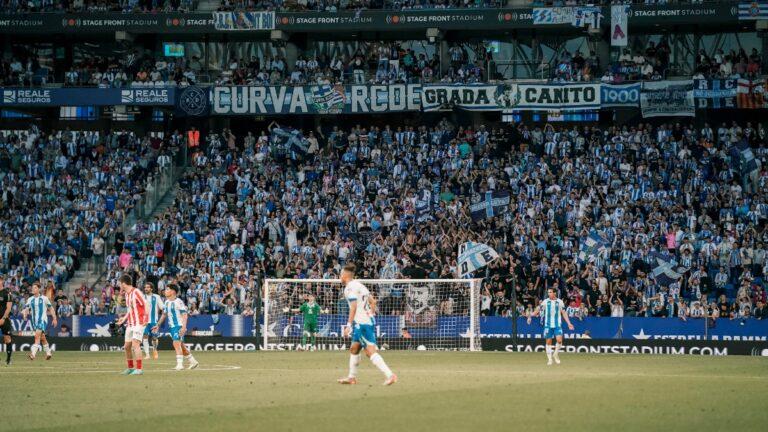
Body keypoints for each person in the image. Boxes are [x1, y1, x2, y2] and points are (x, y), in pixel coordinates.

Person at [337, 263, 397, 386]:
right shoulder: (360, 285)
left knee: (370, 352)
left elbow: (353, 307)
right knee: (354, 348)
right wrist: (370, 313)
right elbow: (373, 301)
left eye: (340, 275)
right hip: (365, 321)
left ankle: (390, 375)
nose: (339, 277)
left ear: (345, 275)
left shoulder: (349, 288)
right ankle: (351, 378)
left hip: (361, 323)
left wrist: (348, 325)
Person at [153, 284, 199, 371]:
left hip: (179, 326)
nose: (165, 291)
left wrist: (184, 327)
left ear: (173, 291)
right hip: (172, 327)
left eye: (167, 289)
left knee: (176, 343)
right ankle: (193, 361)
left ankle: (180, 365)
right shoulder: (166, 302)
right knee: (182, 347)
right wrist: (158, 325)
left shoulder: (179, 302)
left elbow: (184, 315)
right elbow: (164, 314)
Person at [527, 287, 575, 365]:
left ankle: (555, 354)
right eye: (548, 292)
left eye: (550, 292)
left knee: (559, 340)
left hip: (557, 324)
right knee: (548, 342)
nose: (549, 293)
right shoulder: (546, 301)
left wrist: (569, 323)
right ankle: (549, 359)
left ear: (554, 293)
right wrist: (530, 316)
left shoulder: (560, 302)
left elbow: (564, 312)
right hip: (548, 325)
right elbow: (538, 310)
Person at [115, 274, 147, 376]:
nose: (119, 285)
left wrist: (146, 318)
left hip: (139, 323)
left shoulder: (136, 292)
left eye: (120, 283)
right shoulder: (127, 294)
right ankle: (130, 368)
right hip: (130, 323)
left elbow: (146, 304)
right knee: (127, 346)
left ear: (124, 284)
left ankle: (139, 369)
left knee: (135, 344)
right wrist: (123, 319)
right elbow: (130, 310)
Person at [21, 283, 57, 361]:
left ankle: (33, 354)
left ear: (39, 289)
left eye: (35, 288)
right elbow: (26, 308)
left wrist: (54, 318)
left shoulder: (44, 298)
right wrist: (25, 314)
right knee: (42, 338)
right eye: (32, 288)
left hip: (42, 320)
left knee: (37, 336)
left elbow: (51, 309)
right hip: (35, 321)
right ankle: (48, 353)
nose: (33, 289)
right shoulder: (30, 299)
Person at [142, 282, 164, 360]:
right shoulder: (142, 297)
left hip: (153, 321)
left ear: (151, 288)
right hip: (144, 321)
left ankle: (155, 350)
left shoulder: (156, 297)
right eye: (145, 287)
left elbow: (162, 307)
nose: (146, 289)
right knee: (145, 336)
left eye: (147, 287)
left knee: (154, 337)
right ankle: (147, 354)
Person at [0, 277, 14, 365]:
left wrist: (3, 318)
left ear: (1, 281)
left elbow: (9, 308)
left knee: (7, 338)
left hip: (4, 319)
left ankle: (8, 359)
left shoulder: (7, 293)